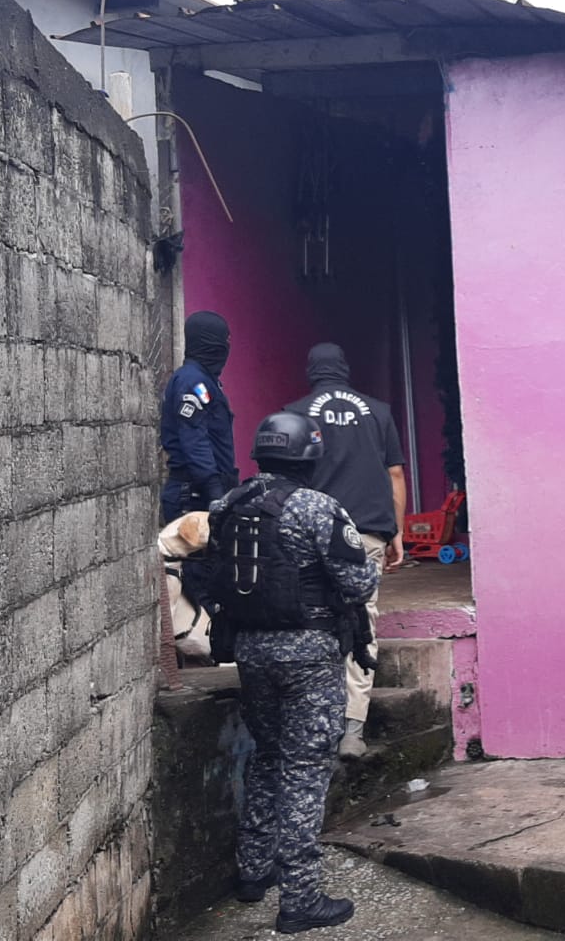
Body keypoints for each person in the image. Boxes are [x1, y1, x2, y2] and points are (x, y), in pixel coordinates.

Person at [207, 412, 379, 934]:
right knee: (305, 769)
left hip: (250, 650)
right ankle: (300, 897)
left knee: (268, 756)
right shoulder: (317, 508)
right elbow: (359, 584)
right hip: (309, 655)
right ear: (310, 456)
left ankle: (252, 871)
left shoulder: (227, 506)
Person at [285, 342, 406, 758]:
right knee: (361, 621)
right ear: (344, 369)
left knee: (314, 620)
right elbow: (394, 474)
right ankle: (353, 729)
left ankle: (315, 722)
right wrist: (396, 530)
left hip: (314, 533)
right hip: (368, 531)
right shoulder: (379, 412)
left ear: (312, 371)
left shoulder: (296, 413)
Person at [159, 311, 237, 523]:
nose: (226, 348)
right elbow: (194, 439)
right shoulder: (192, 382)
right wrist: (214, 492)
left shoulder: (204, 381)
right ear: (210, 343)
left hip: (202, 492)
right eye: (224, 341)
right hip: (194, 496)